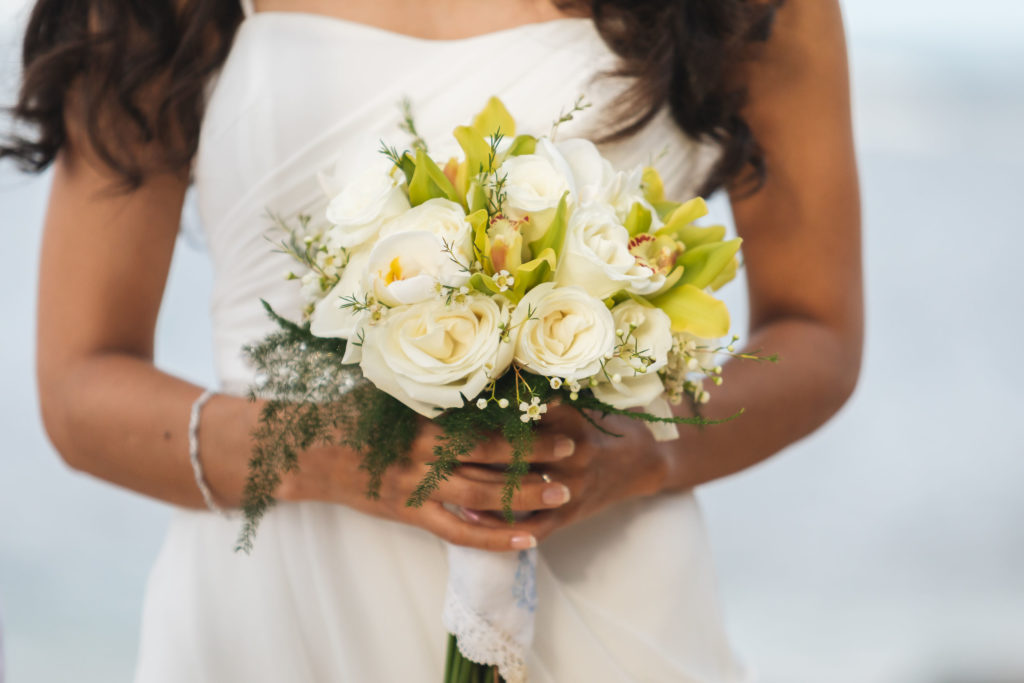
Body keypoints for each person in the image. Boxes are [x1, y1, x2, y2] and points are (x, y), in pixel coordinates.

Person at [2, 0, 862, 680]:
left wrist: (646, 451)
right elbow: (81, 383)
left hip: (607, 594)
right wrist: (329, 451)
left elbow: (817, 330)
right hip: (277, 614)